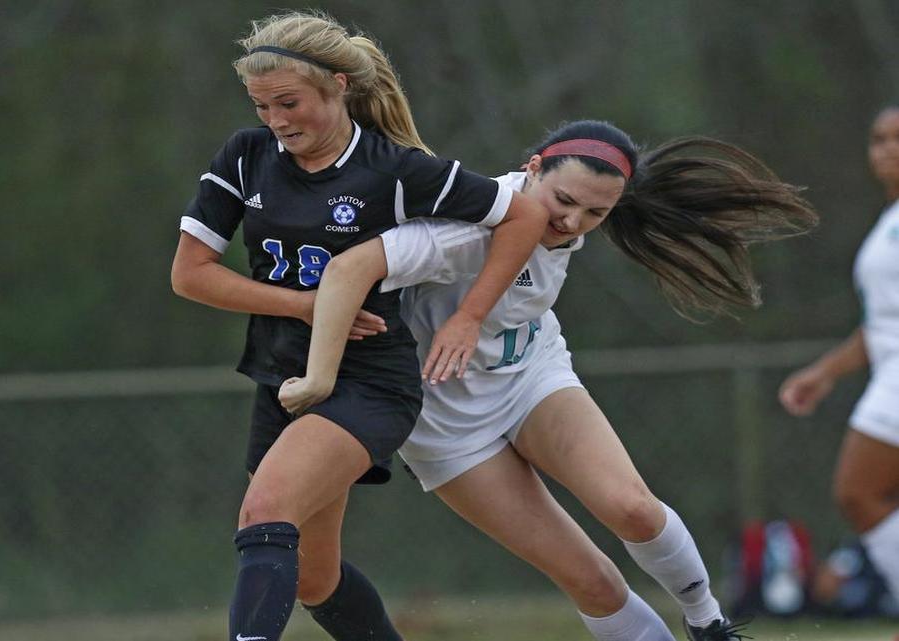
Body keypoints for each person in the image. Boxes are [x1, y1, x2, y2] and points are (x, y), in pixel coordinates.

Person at [280, 119, 818, 641]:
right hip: (443, 423)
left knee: (632, 507)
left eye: (595, 212)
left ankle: (709, 623)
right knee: (594, 583)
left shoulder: (568, 222)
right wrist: (319, 370)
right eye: (563, 200)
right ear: (532, 168)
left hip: (530, 377)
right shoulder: (468, 223)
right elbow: (349, 268)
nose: (573, 220)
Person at [169, 10, 548, 641]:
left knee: (263, 513)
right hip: (281, 374)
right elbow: (191, 275)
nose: (277, 121)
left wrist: (469, 316)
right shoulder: (246, 156)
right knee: (314, 578)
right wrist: (310, 307)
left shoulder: (393, 169)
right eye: (262, 106)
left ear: (339, 85)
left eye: (289, 103)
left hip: (368, 379)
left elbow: (523, 217)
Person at [778, 104, 899, 613]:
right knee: (862, 494)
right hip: (888, 368)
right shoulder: (888, 220)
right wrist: (826, 371)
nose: (888, 148)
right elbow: (881, 325)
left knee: (857, 490)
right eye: (878, 139)